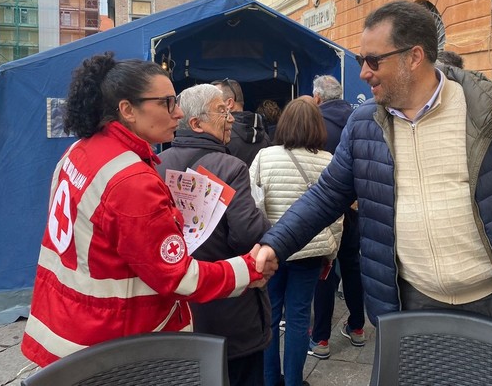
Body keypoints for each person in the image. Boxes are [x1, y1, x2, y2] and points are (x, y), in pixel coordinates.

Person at [255, 0, 492, 356]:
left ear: (414, 57)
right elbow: (326, 195)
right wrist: (275, 243)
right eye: (359, 61)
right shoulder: (364, 124)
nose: (364, 73)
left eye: (372, 60)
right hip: (411, 304)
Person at [21, 53, 272, 368]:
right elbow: (179, 277)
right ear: (127, 110)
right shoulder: (131, 180)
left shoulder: (79, 151)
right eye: (167, 103)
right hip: (113, 343)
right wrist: (250, 268)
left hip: (67, 324)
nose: (178, 112)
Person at [157, 84, 272, 386]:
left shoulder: (157, 165)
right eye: (221, 111)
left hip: (178, 307)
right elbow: (249, 233)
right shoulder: (229, 166)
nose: (231, 117)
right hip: (230, 306)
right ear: (196, 123)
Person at [249, 98, 343, 386]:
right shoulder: (328, 161)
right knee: (300, 317)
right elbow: (337, 217)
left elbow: (254, 205)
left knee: (270, 315)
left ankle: (268, 379)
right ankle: (293, 381)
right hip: (311, 251)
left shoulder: (265, 157)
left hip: (273, 250)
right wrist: (332, 250)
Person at [308, 75, 365, 359]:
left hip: (328, 209)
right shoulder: (359, 119)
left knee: (325, 273)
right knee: (353, 269)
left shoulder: (316, 125)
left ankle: (320, 339)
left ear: (317, 97)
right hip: (355, 209)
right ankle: (357, 327)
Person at [212, 78, 270, 166]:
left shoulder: (221, 135)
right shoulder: (265, 136)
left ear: (229, 103)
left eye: (214, 101)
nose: (208, 106)